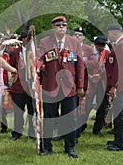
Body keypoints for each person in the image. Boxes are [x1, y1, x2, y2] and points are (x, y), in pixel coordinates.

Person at [37, 16, 84, 158]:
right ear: (53, 27)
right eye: (58, 25)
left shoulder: (74, 42)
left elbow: (80, 65)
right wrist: (36, 68)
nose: (61, 27)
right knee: (49, 119)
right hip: (50, 87)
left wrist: (81, 86)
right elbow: (39, 59)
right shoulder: (45, 42)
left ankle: (69, 147)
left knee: (70, 119)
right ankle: (47, 147)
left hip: (69, 88)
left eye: (64, 24)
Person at [105, 23, 123, 151]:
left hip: (121, 85)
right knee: (120, 114)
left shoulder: (121, 45)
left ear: (114, 32)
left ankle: (121, 143)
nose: (109, 36)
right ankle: (119, 138)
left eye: (109, 33)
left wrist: (114, 85)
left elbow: (120, 67)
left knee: (119, 114)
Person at [72, 27, 97, 141]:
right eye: (75, 34)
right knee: (71, 109)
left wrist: (81, 63)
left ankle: (79, 129)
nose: (77, 36)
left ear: (83, 37)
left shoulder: (88, 49)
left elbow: (94, 62)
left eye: (80, 35)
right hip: (71, 83)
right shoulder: (68, 47)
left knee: (84, 109)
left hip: (86, 83)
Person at [9, 31, 35, 141]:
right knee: (18, 111)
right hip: (18, 86)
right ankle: (17, 132)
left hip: (31, 87)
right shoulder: (15, 52)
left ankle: (32, 132)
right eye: (27, 38)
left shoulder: (35, 52)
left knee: (32, 111)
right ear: (23, 39)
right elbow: (11, 67)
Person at [89, 36, 110, 137]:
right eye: (100, 46)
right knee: (87, 106)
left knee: (102, 107)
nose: (102, 48)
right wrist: (90, 76)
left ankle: (97, 128)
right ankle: (80, 126)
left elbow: (109, 68)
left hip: (101, 84)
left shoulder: (107, 54)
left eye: (103, 46)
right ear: (95, 45)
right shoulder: (89, 52)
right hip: (90, 82)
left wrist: (100, 76)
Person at [0, 38, 19, 134]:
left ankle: (17, 127)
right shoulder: (1, 57)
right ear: (6, 46)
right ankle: (4, 126)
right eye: (12, 46)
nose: (14, 47)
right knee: (4, 107)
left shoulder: (18, 55)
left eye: (15, 45)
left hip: (16, 85)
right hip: (5, 85)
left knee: (17, 107)